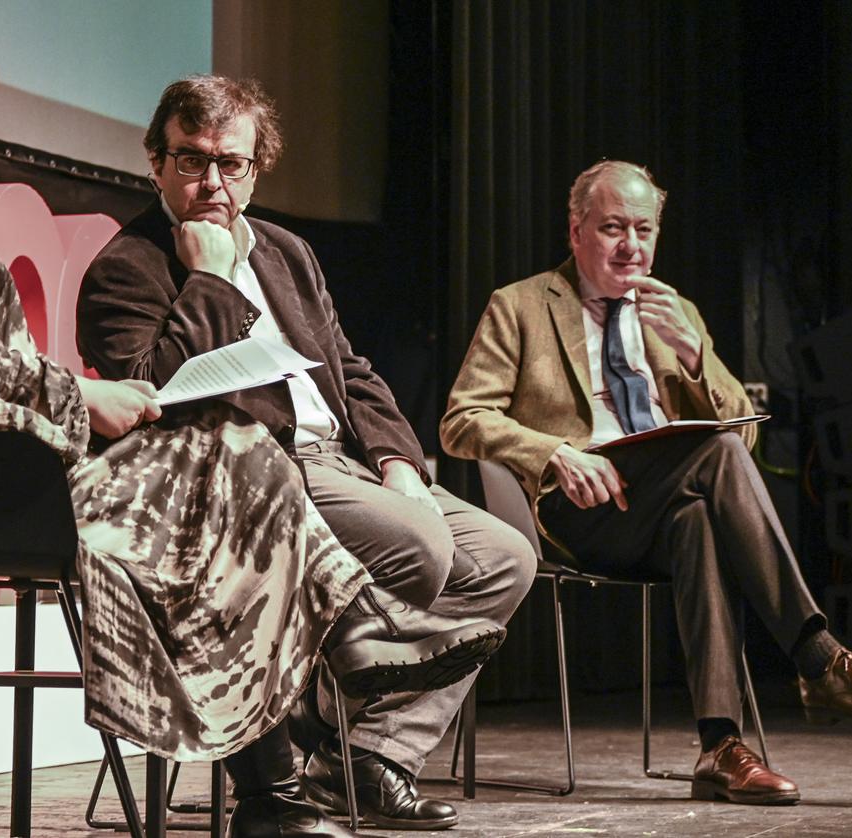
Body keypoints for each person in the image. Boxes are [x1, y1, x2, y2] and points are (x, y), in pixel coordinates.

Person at [0, 12, 508, 838]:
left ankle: (294, 762)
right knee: (227, 454)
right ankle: (336, 667)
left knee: (227, 463)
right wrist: (88, 398)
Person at [77, 74, 535, 830]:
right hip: (254, 480)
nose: (213, 183)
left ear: (258, 168)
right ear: (155, 161)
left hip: (347, 461)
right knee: (418, 545)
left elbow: (347, 369)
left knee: (504, 557)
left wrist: (397, 461)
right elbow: (151, 398)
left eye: (233, 164)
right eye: (192, 161)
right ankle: (324, 705)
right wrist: (209, 278)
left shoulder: (288, 251)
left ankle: (371, 756)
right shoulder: (126, 267)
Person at [440, 159, 852, 806]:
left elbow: (744, 433)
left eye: (644, 229)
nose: (632, 246)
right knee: (715, 460)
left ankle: (721, 747)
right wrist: (555, 452)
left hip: (661, 506)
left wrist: (696, 357)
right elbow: (462, 419)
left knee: (700, 514)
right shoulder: (522, 305)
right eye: (613, 227)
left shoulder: (676, 313)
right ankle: (819, 659)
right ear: (576, 232)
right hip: (577, 508)